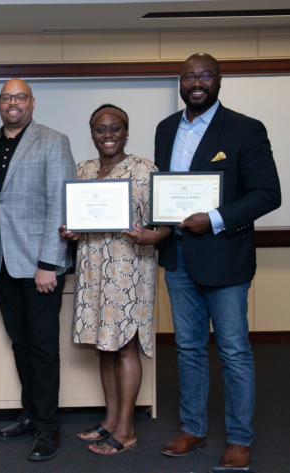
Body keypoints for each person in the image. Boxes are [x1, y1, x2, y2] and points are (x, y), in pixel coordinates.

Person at [155, 53, 281, 469]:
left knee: (234, 351)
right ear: (179, 81)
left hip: (225, 258)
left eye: (205, 75)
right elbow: (165, 192)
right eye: (189, 76)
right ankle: (193, 428)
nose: (197, 82)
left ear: (219, 80)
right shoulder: (166, 129)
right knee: (189, 349)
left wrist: (212, 219)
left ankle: (239, 438)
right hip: (177, 257)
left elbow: (267, 193)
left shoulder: (246, 129)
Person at [0, 78, 77, 462]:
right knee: (20, 344)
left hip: (40, 266)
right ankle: (31, 415)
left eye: (20, 97)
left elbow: (60, 204)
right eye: (6, 97)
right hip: (0, 263)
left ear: (32, 102)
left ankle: (49, 427)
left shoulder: (53, 140)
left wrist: (49, 263)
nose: (12, 103)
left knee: (43, 348)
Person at [59, 104, 171, 455]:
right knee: (103, 346)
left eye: (115, 128)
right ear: (91, 134)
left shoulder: (143, 170)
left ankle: (127, 429)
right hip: (92, 269)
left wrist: (156, 235)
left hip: (129, 269)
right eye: (100, 129)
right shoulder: (84, 169)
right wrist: (70, 231)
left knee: (124, 345)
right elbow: (76, 218)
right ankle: (109, 420)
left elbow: (165, 222)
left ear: (126, 131)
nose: (108, 135)